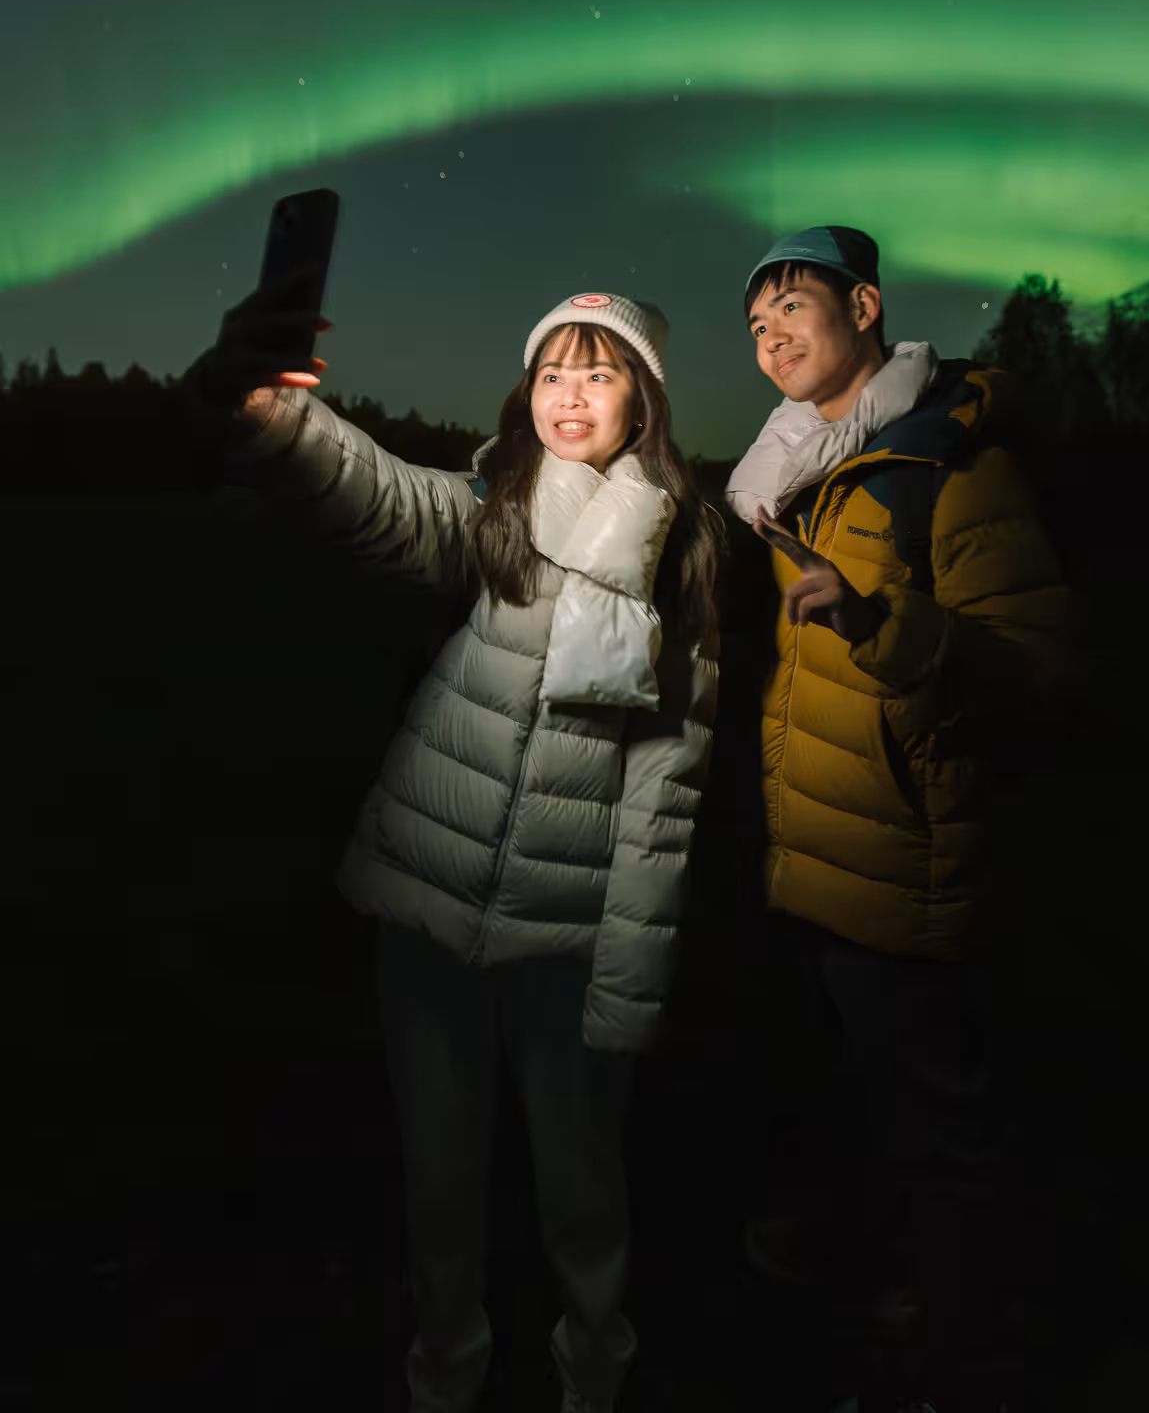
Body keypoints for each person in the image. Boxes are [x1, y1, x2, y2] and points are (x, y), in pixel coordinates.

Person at [182, 276, 721, 1413]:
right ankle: (445, 1377)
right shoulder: (492, 503)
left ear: (645, 400)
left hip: (566, 931)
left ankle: (594, 1374)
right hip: (427, 906)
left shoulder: (681, 555)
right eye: (552, 370)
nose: (569, 394)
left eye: (600, 370)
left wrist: (630, 979)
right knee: (437, 1185)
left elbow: (664, 783)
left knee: (582, 1191)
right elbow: (375, 492)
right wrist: (276, 412)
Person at [725, 225, 1082, 1408]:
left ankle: (953, 1353)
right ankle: (866, 1268)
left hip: (911, 865)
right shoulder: (790, 480)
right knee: (852, 1093)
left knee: (939, 1129)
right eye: (755, 323)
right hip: (818, 852)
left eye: (793, 307)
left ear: (865, 308)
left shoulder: (948, 467)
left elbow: (1033, 678)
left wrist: (883, 625)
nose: (770, 333)